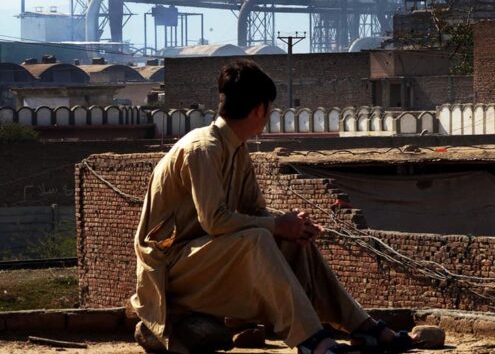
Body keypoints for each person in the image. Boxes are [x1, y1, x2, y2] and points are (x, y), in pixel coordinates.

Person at [131, 59, 411, 354]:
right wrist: (276, 226)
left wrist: (291, 226)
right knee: (260, 238)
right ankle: (310, 340)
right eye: (269, 110)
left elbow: (254, 212)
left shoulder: (236, 148)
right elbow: (214, 221)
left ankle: (360, 326)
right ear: (260, 110)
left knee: (293, 241)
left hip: (205, 262)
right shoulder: (203, 149)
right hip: (170, 271)